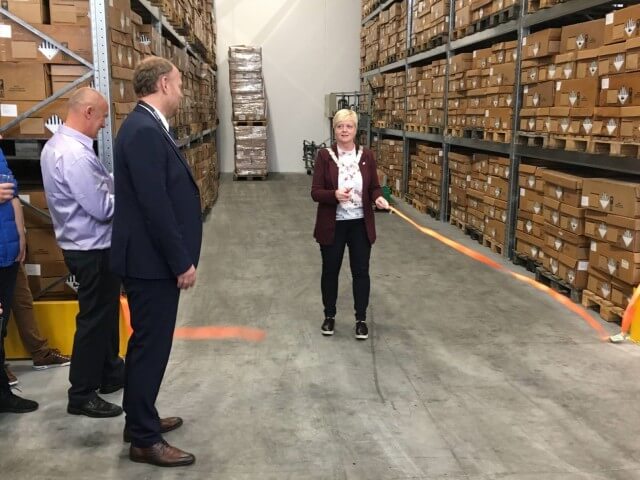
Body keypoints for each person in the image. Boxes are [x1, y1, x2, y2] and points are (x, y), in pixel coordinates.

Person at [111, 56, 202, 467]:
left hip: (149, 261)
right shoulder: (145, 131)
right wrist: (180, 261)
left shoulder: (146, 127)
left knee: (145, 344)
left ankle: (139, 419)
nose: (182, 91)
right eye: (179, 82)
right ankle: (144, 440)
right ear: (164, 83)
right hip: (152, 264)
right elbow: (156, 206)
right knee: (151, 347)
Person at [40, 87, 124, 418]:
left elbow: (99, 186)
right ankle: (82, 394)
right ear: (87, 112)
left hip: (86, 246)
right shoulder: (73, 155)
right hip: (92, 248)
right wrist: (132, 194)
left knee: (103, 315)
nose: (103, 124)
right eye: (102, 117)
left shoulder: (60, 147)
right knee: (93, 320)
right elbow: (102, 208)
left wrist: (117, 180)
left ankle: (110, 372)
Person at [311, 109, 389, 340]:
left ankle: (361, 319)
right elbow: (315, 192)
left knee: (361, 272)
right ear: (334, 130)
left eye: (349, 126)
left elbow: (374, 186)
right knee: (330, 271)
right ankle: (329, 316)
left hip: (359, 225)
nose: (344, 130)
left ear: (356, 130)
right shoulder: (325, 156)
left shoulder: (367, 156)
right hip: (333, 224)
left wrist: (378, 197)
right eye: (340, 126)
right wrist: (333, 194)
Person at [0, 139, 38, 413]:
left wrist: (21, 234)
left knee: (1, 327)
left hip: (8, 252)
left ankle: (3, 394)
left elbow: (12, 192)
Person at [4, 263, 71, 385]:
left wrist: (21, 243)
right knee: (2, 308)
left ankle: (40, 353)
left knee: (23, 301)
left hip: (11, 254)